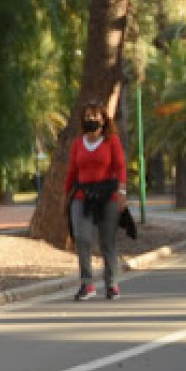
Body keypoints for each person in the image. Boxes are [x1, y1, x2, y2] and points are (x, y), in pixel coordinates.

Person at [63, 100, 128, 300]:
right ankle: (87, 284)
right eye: (87, 116)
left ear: (103, 119)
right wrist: (66, 196)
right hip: (82, 196)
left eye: (95, 116)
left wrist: (122, 193)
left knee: (107, 241)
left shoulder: (112, 141)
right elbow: (72, 171)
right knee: (82, 238)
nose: (91, 119)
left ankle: (111, 283)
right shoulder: (78, 143)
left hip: (107, 196)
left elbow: (120, 167)